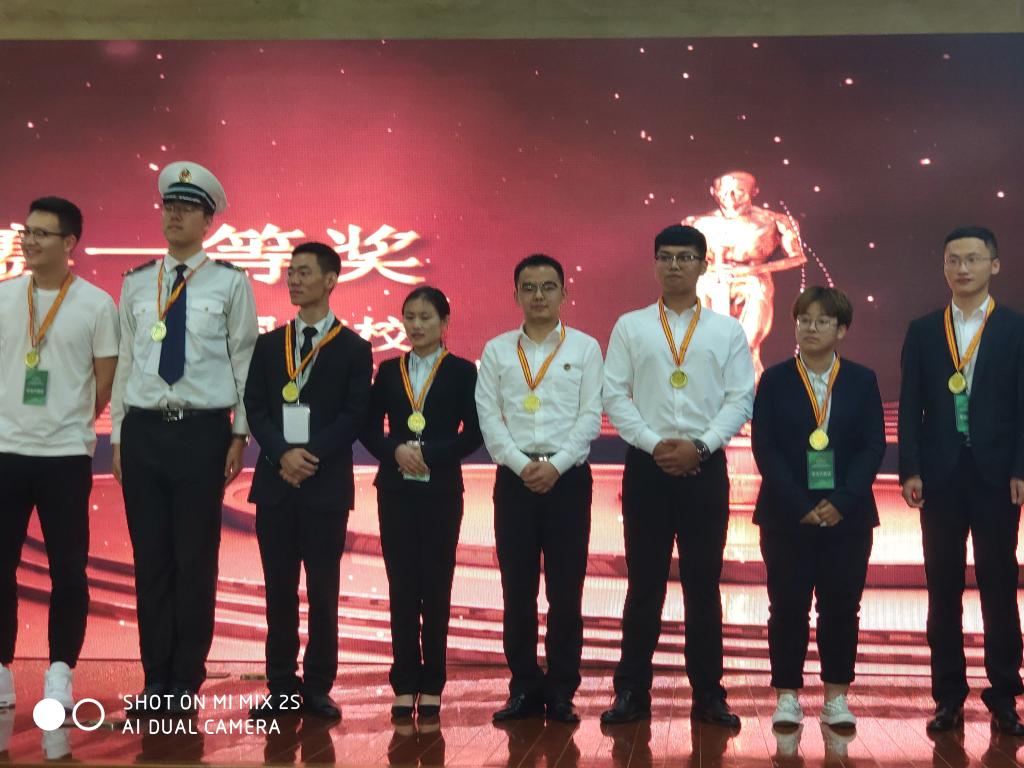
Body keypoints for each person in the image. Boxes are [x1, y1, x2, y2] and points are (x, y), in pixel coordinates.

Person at [109, 161, 258, 714]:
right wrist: (119, 436)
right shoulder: (135, 282)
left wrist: (239, 434)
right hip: (144, 431)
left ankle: (185, 680)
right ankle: (155, 679)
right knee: (150, 558)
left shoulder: (230, 282)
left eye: (187, 208)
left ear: (208, 220)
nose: (174, 215)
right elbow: (126, 362)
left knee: (195, 558)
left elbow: (244, 361)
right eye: (169, 206)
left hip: (201, 433)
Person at [601, 224, 754, 728]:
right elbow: (614, 394)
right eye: (665, 257)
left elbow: (740, 398)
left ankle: (709, 694)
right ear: (654, 264)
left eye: (685, 257)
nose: (674, 266)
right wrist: (654, 444)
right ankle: (631, 691)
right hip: (647, 467)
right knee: (643, 584)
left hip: (705, 468)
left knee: (702, 586)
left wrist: (701, 446)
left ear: (703, 265)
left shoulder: (727, 331)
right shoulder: (631, 326)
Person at [898, 226, 1024, 736]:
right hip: (940, 477)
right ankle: (947, 696)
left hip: (997, 476)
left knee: (999, 586)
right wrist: (910, 468)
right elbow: (911, 404)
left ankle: (1005, 696)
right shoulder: (925, 329)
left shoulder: (1016, 328)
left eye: (973, 259)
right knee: (942, 587)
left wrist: (1021, 467)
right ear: (944, 267)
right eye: (954, 259)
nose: (963, 268)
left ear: (994, 265)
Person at [245, 242, 373, 721]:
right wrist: (283, 453)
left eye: (304, 272)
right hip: (276, 483)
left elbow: (354, 415)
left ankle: (318, 686)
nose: (294, 281)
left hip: (324, 486)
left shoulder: (354, 348)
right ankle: (280, 684)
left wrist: (309, 454)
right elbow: (255, 406)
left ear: (330, 280)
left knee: (322, 591)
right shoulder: (269, 344)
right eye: (290, 273)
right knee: (278, 591)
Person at [0, 197, 118, 712]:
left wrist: (67, 420)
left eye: (41, 234)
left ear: (69, 243)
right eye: (26, 232)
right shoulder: (5, 296)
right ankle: (1, 671)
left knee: (68, 569)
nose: (29, 241)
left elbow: (105, 381)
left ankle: (60, 672)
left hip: (66, 456)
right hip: (5, 451)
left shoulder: (95, 305)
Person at [476, 254, 603, 724]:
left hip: (567, 480)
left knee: (566, 591)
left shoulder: (585, 348)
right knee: (518, 590)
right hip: (515, 480)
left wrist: (556, 465)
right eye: (528, 287)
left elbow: (591, 416)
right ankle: (524, 686)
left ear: (564, 293)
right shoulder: (497, 351)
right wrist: (521, 464)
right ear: (515, 295)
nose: (538, 296)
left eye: (548, 287)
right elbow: (489, 418)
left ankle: (563, 689)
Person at [751, 287, 884, 729]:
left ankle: (836, 699)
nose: (811, 328)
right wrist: (799, 503)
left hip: (848, 516)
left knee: (841, 607)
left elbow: (872, 447)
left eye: (822, 321)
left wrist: (841, 501)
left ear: (842, 330)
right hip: (786, 515)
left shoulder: (862, 380)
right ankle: (787, 696)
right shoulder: (775, 380)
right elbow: (765, 447)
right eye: (804, 320)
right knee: (787, 606)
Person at [361, 285, 482, 719]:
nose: (416, 325)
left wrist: (430, 454)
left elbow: (475, 433)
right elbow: (368, 428)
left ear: (445, 323)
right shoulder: (389, 370)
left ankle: (432, 683)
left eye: (426, 317)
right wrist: (394, 450)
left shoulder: (462, 371)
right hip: (395, 491)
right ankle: (403, 681)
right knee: (402, 586)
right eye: (410, 316)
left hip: (441, 490)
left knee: (436, 585)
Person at [684, 170, 806, 378]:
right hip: (711, 283)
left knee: (747, 344)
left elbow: (797, 257)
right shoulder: (695, 223)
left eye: (739, 191)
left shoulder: (775, 221)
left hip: (753, 283)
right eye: (724, 191)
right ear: (713, 191)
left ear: (754, 191)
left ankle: (751, 390)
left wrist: (754, 270)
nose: (730, 197)